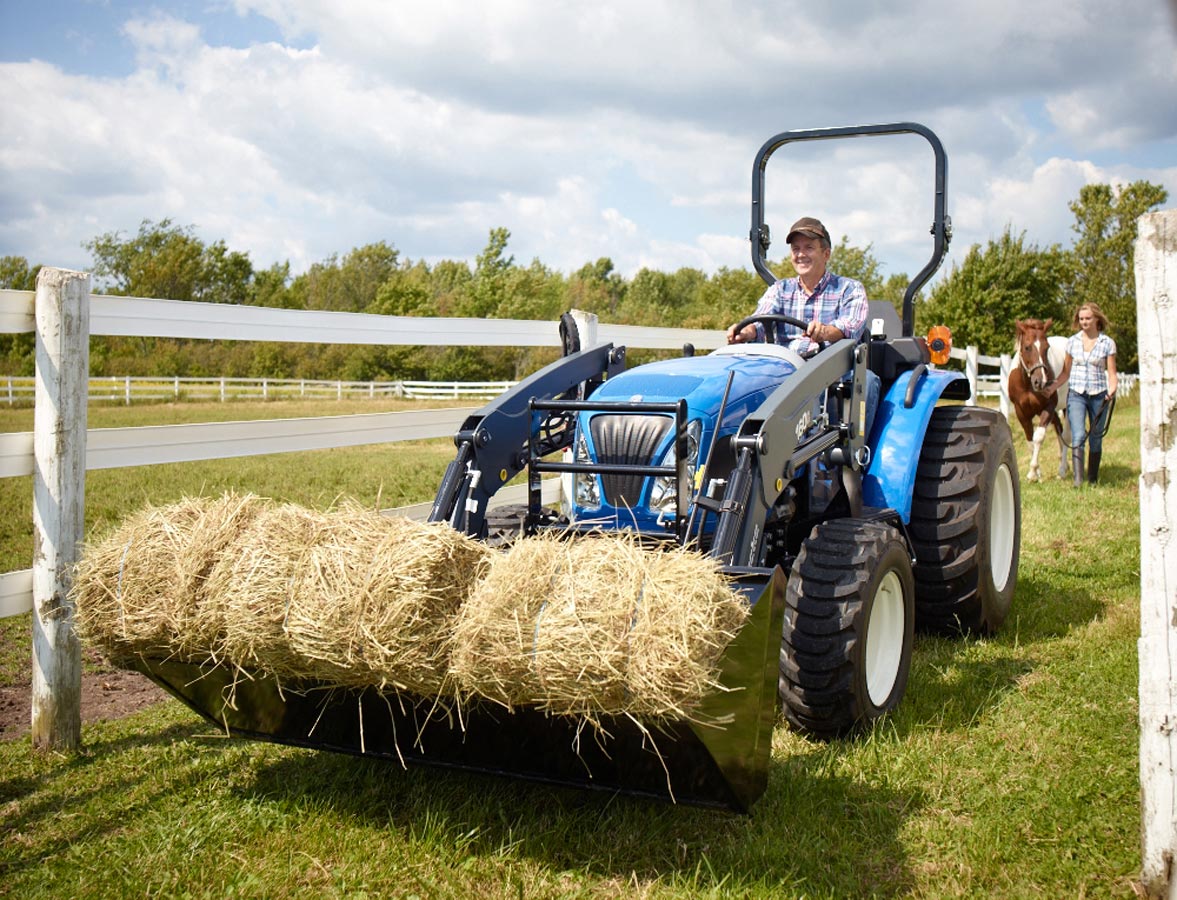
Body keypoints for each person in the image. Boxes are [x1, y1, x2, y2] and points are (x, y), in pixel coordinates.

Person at [725, 216, 879, 437]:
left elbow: (851, 326)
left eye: (809, 247)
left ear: (826, 254)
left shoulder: (849, 289)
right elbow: (760, 320)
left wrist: (825, 331)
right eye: (795, 248)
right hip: (784, 369)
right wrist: (745, 332)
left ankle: (853, 453)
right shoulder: (780, 289)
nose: (800, 254)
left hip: (828, 369)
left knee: (869, 382)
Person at [1051, 302, 1118, 486]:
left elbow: (1112, 373)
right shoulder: (1072, 342)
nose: (1084, 322)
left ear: (1096, 319)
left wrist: (1112, 389)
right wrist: (1052, 387)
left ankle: (1093, 479)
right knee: (1078, 435)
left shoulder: (1107, 343)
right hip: (1076, 395)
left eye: (1088, 318)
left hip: (1099, 396)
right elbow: (1065, 372)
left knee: (1096, 438)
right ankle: (1078, 482)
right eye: (1081, 319)